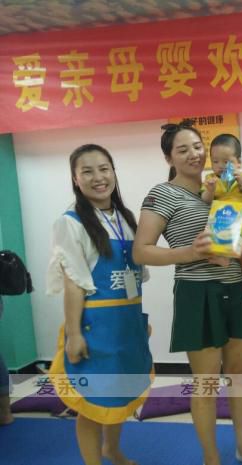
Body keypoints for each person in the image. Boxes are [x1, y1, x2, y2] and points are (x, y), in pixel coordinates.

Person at [132, 120, 242, 465]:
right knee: (206, 383)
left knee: (240, 376)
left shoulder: (223, 185)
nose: (193, 154)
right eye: (182, 149)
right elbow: (141, 251)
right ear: (169, 158)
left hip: (236, 288)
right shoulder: (163, 194)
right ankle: (211, 457)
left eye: (197, 147)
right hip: (197, 293)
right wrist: (190, 253)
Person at [47, 144, 153, 465]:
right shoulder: (70, 222)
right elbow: (74, 282)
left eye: (104, 169)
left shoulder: (125, 217)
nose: (98, 177)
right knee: (93, 403)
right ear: (75, 179)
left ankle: (112, 450)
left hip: (127, 326)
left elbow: (134, 276)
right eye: (87, 171)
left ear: (113, 173)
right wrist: (75, 334)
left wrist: (139, 322)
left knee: (119, 395)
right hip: (95, 328)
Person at [201, 133, 242, 299]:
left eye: (226, 162)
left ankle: (228, 261)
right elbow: (205, 200)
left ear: (238, 162)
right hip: (223, 217)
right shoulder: (210, 179)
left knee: (240, 252)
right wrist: (210, 190)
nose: (220, 166)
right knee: (240, 254)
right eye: (215, 161)